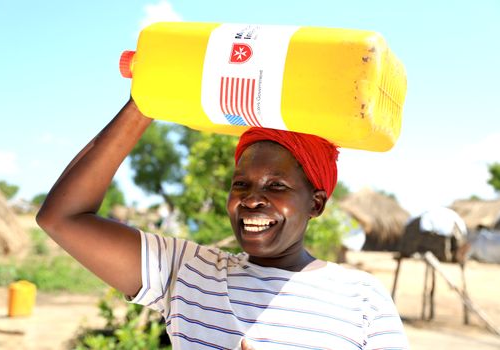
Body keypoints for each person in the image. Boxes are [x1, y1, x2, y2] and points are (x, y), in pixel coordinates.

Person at [37, 98, 409, 349]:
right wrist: (144, 103)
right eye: (240, 184)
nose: (251, 199)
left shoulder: (361, 298)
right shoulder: (190, 272)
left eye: (276, 185)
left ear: (316, 203)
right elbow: (62, 217)